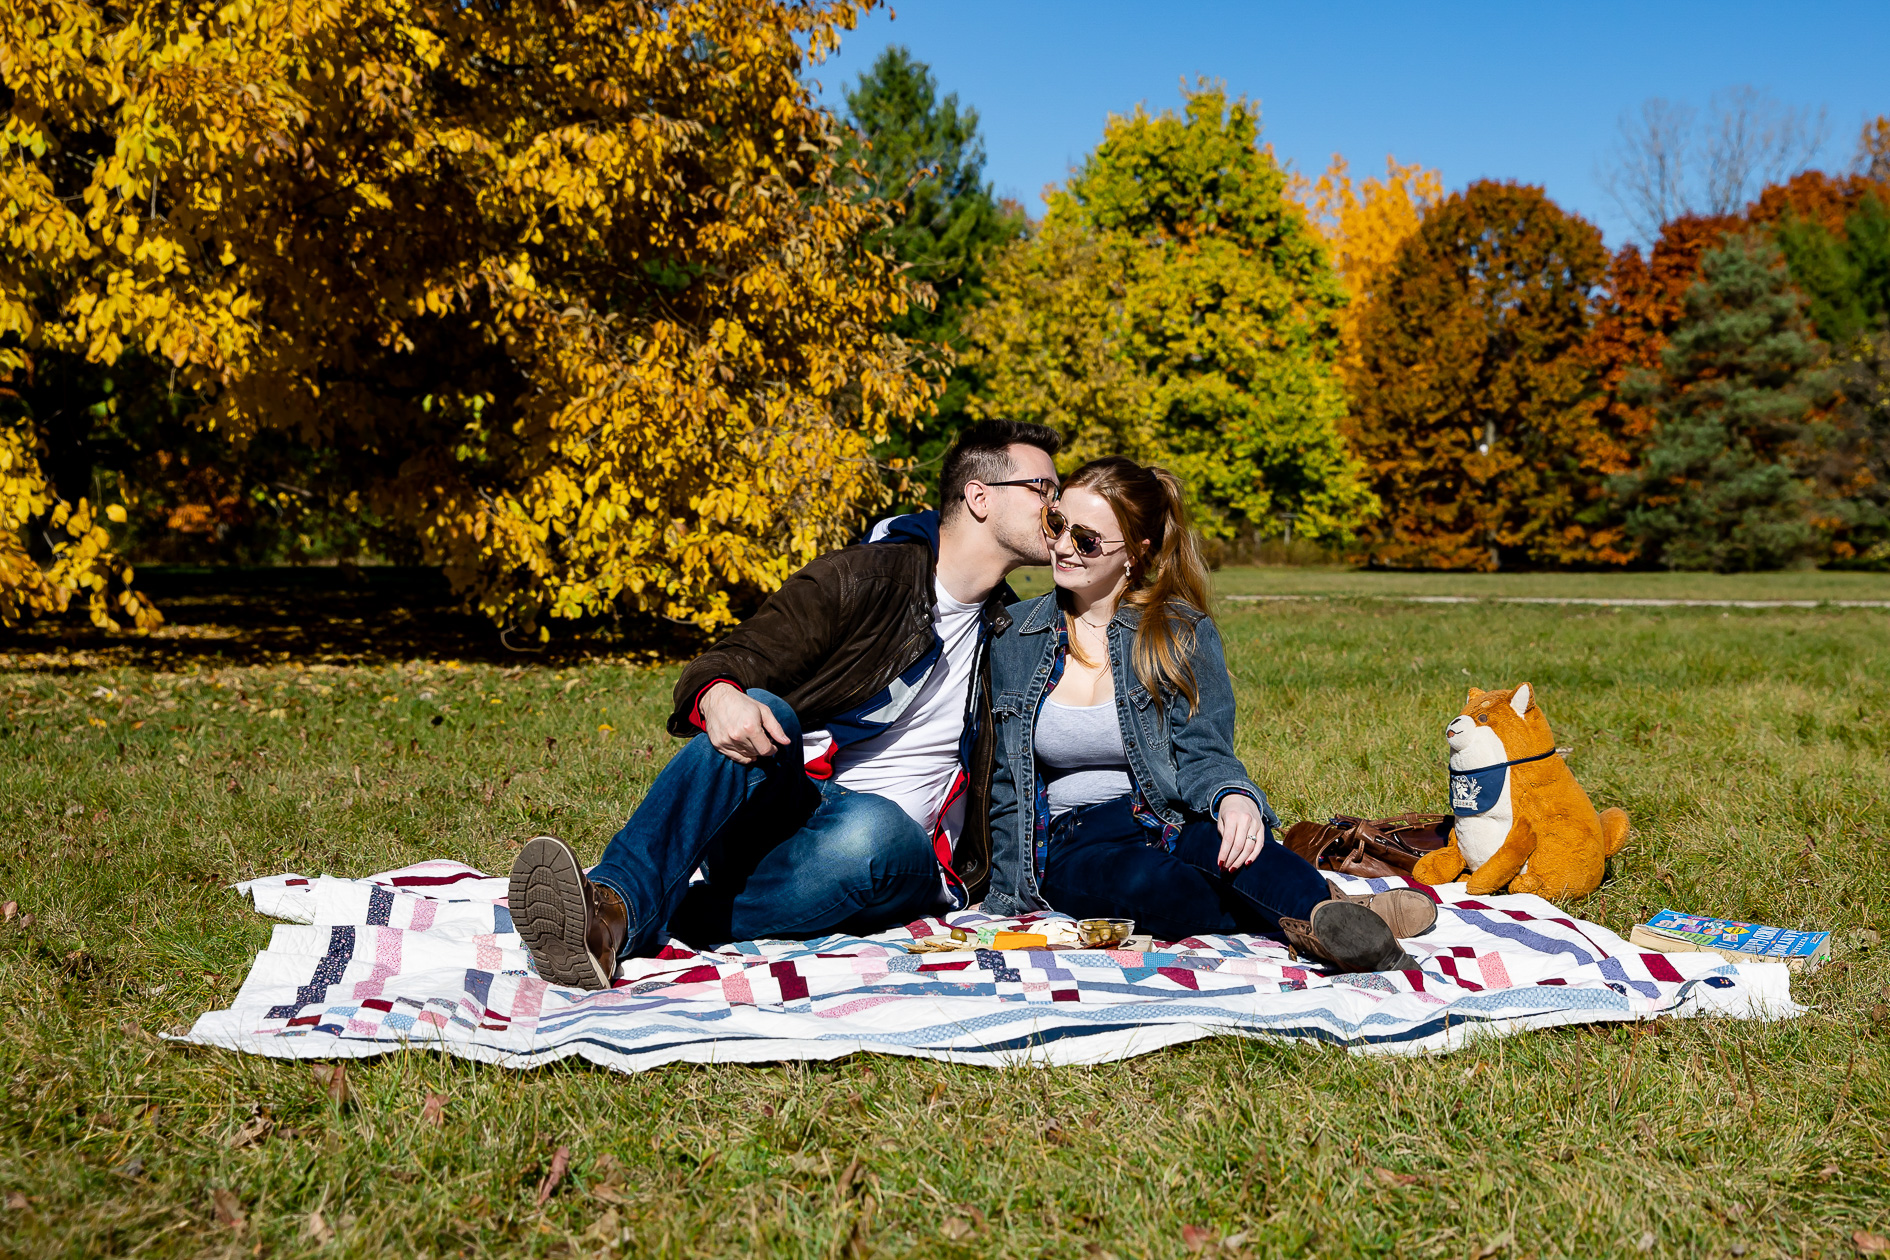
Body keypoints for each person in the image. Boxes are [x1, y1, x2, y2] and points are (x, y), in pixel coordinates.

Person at [507, 420, 1064, 988]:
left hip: (894, 853)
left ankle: (639, 916)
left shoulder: (1013, 631)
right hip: (787, 815)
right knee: (764, 708)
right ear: (979, 497)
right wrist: (721, 697)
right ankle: (612, 906)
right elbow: (731, 660)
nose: (1056, 506)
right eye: (1043, 488)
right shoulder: (860, 580)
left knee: (872, 829)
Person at [980, 457, 1435, 972]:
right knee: (1161, 891)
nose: (1062, 546)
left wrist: (1233, 797)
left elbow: (1205, 751)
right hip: (1074, 840)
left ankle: (1333, 925)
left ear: (1136, 550)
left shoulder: (1179, 632)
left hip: (1168, 815)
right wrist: (1005, 886)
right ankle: (1325, 910)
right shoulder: (1011, 635)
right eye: (1057, 524)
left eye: (1085, 539)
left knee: (1243, 849)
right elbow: (998, 780)